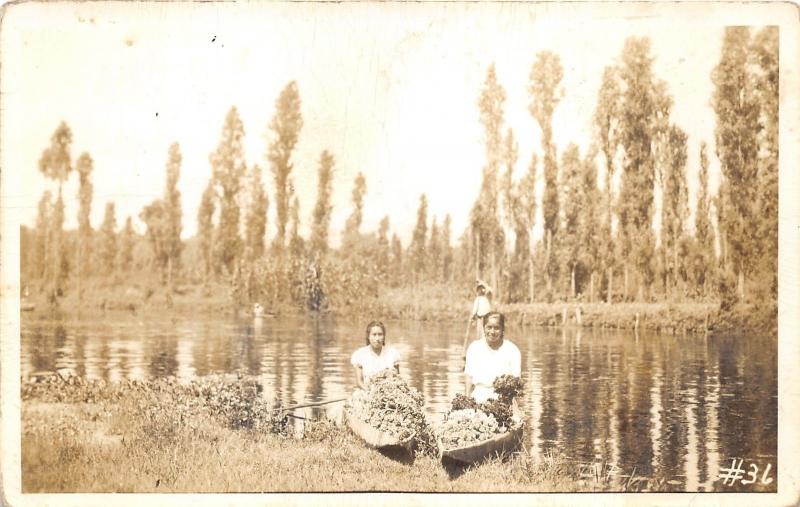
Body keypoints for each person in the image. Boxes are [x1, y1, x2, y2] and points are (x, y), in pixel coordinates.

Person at [464, 312, 521, 403]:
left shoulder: (512, 350)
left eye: (497, 328)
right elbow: (469, 377)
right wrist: (466, 401)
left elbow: (516, 381)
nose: (492, 332)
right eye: (489, 327)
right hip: (478, 397)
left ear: (503, 329)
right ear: (484, 328)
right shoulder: (474, 347)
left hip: (504, 399)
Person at [351, 321, 401, 389]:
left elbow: (398, 379)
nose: (377, 339)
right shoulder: (360, 355)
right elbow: (359, 382)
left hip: (389, 391)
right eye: (374, 335)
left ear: (384, 336)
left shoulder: (392, 353)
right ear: (368, 336)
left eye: (380, 334)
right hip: (367, 391)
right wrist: (370, 392)